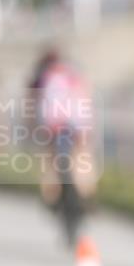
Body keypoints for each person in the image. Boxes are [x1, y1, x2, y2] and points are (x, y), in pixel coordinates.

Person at [26, 48, 97, 212]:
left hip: (52, 122)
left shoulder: (40, 77)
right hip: (77, 121)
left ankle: (50, 195)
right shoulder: (73, 73)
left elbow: (31, 105)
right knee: (82, 157)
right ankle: (88, 194)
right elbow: (86, 96)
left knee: (49, 160)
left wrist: (31, 129)